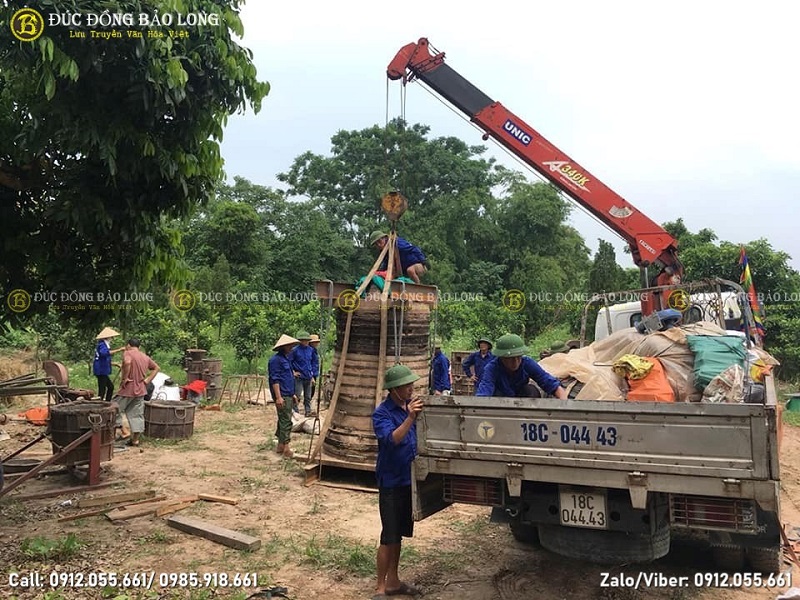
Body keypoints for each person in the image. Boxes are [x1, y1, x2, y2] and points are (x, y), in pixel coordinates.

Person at [372, 365, 424, 599]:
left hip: (407, 480)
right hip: (391, 482)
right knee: (388, 535)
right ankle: (380, 588)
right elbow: (392, 439)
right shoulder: (382, 413)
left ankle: (393, 581)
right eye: (406, 385)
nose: (411, 388)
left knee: (400, 535)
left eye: (411, 384)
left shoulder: (409, 407)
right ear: (394, 389)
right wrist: (411, 417)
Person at [476, 334, 568, 399]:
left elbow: (547, 380)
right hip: (500, 401)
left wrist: (564, 401)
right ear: (502, 357)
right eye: (511, 358)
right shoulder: (492, 368)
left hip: (521, 399)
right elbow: (484, 393)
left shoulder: (527, 363)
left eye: (518, 357)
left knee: (531, 390)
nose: (515, 362)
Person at [114, 338, 159, 447]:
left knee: (114, 409)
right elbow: (156, 368)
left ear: (129, 345)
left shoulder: (128, 353)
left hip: (127, 389)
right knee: (137, 414)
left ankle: (121, 432)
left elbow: (127, 362)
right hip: (140, 389)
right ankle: (135, 440)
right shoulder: (144, 356)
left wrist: (125, 378)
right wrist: (147, 380)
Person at [269, 334, 299, 458]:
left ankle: (280, 445)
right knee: (286, 420)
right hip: (282, 394)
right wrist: (278, 397)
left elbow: (289, 377)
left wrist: (292, 394)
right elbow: (275, 380)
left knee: (283, 419)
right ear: (284, 346)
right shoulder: (275, 361)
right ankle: (286, 448)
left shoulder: (286, 359)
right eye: (290, 346)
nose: (292, 348)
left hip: (288, 392)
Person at [93, 326, 124, 402]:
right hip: (101, 370)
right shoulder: (102, 345)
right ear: (108, 337)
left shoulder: (103, 345)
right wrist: (119, 350)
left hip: (101, 369)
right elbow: (104, 354)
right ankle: (102, 404)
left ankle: (106, 402)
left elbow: (103, 359)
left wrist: (114, 364)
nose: (112, 338)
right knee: (103, 389)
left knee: (109, 387)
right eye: (111, 337)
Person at [291, 331, 316, 417]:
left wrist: (312, 376)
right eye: (303, 340)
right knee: (297, 395)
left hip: (308, 376)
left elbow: (311, 363)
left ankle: (308, 411)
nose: (305, 342)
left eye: (307, 340)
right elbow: (289, 361)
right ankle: (295, 412)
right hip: (299, 377)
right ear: (300, 341)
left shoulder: (311, 350)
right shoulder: (295, 350)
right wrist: (293, 372)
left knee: (308, 396)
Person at [309, 334, 321, 409]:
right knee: (310, 391)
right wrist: (311, 375)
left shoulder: (315, 350)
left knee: (312, 390)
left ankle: (309, 405)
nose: (317, 343)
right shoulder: (310, 351)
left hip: (314, 372)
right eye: (315, 342)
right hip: (311, 373)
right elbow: (308, 363)